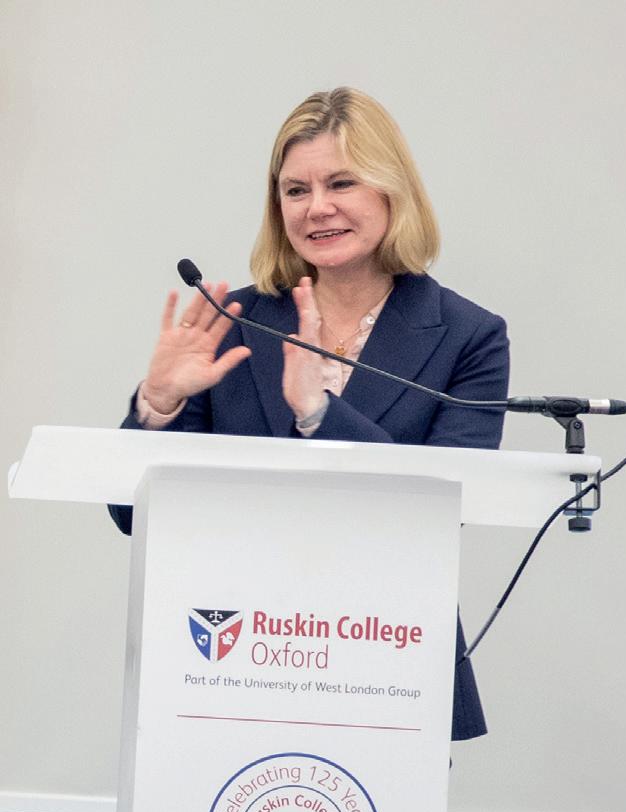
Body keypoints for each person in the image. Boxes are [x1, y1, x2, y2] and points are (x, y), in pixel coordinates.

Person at [109, 87, 510, 744]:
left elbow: (443, 508)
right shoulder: (232, 321)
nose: (316, 207)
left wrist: (320, 415)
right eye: (295, 190)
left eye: (341, 183)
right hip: (224, 665)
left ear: (393, 192)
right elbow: (132, 517)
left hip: (385, 661)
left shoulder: (468, 336)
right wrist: (158, 405)